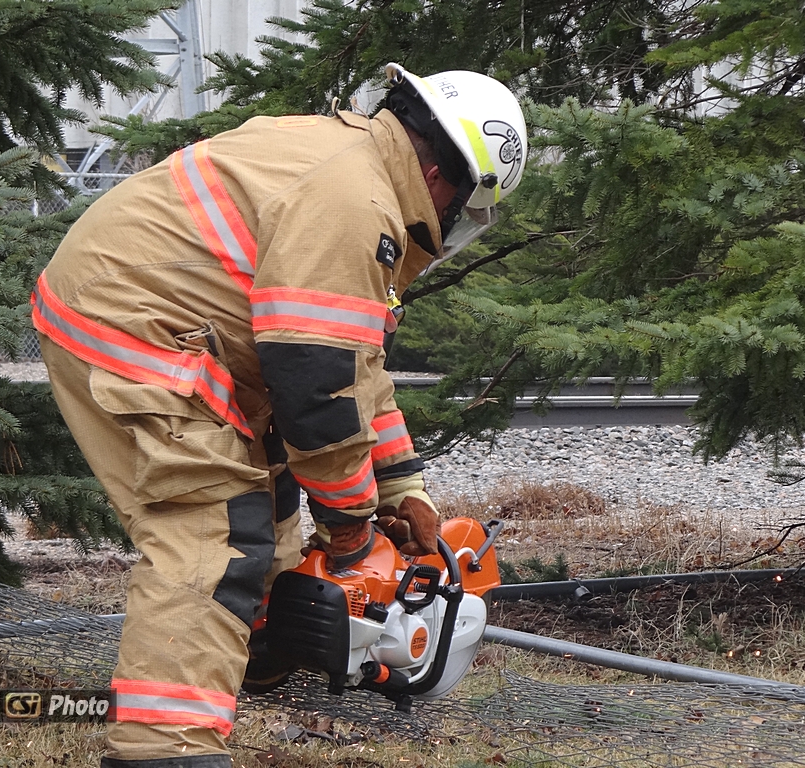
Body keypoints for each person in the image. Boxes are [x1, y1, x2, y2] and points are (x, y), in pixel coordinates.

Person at [32, 62, 527, 767]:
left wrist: (402, 487)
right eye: (466, 212)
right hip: (137, 329)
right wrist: (354, 533)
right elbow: (318, 390)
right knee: (213, 533)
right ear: (448, 179)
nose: (452, 227)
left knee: (275, 505)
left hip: (173, 328)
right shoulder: (355, 204)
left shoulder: (356, 166)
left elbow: (358, 373)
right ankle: (166, 750)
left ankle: (254, 652)